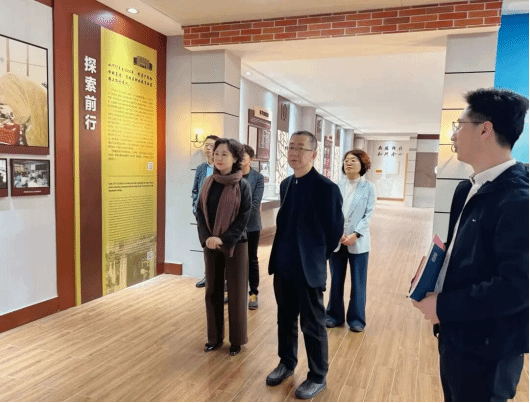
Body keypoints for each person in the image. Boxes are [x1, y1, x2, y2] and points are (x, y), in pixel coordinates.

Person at [412, 88, 529, 402]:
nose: (454, 134)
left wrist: (443, 306)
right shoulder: (466, 189)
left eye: (459, 125)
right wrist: (430, 278)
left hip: (490, 352)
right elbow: (459, 253)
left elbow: (516, 288)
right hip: (456, 336)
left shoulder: (519, 200)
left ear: (485, 130)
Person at [266, 131, 344, 400]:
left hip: (308, 269)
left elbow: (335, 232)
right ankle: (287, 363)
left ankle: (317, 375)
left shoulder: (327, 188)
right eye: (291, 147)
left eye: (300, 148)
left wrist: (316, 256)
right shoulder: (286, 184)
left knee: (313, 324)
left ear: (313, 154)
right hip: (283, 265)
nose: (294, 152)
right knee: (285, 319)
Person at [196, 138, 252, 356]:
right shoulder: (208, 182)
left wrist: (225, 239)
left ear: (236, 158)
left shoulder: (242, 185)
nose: (219, 158)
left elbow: (244, 217)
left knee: (237, 292)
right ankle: (214, 338)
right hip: (211, 244)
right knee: (212, 290)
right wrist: (207, 238)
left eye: (224, 154)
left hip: (236, 244)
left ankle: (236, 340)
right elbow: (200, 212)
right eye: (217, 153)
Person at [326, 150, 376, 333]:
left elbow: (368, 215)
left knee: (358, 282)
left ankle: (357, 319)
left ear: (362, 164)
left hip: (358, 242)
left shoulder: (369, 187)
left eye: (353, 160)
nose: (348, 163)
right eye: (346, 160)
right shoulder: (335, 186)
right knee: (336, 280)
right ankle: (333, 315)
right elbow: (330, 212)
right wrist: (337, 232)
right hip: (338, 240)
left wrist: (355, 234)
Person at [192, 135, 219, 288]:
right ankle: (208, 276)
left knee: (219, 247)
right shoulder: (201, 168)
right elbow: (195, 190)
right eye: (206, 145)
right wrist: (195, 209)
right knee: (206, 246)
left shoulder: (222, 168)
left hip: (218, 215)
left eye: (211, 145)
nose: (208, 148)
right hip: (202, 214)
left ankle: (221, 279)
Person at [241, 145, 265, 310]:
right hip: (233, 228)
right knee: (232, 259)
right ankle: (230, 290)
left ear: (251, 160)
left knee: (251, 259)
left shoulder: (258, 178)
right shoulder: (232, 175)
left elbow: (255, 204)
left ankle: (253, 293)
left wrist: (238, 219)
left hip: (251, 226)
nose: (239, 159)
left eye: (243, 156)